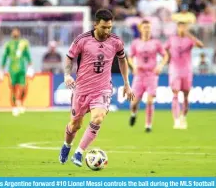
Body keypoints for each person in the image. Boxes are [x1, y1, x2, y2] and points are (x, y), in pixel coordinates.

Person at [59, 9, 134, 167]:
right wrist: (67, 75)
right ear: (95, 25)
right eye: (104, 27)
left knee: (98, 117)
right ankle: (67, 145)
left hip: (103, 89)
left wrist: (127, 84)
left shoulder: (116, 41)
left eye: (110, 27)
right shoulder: (82, 40)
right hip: (81, 89)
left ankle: (79, 152)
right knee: (75, 125)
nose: (107, 31)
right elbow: (69, 57)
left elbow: (122, 59)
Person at [128, 20, 169, 132]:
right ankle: (133, 113)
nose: (147, 30)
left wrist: (160, 66)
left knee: (150, 100)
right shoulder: (135, 43)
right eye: (145, 27)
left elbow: (165, 55)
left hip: (151, 74)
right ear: (141, 29)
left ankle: (148, 125)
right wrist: (134, 66)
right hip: (139, 75)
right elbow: (130, 57)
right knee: (134, 102)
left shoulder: (156, 43)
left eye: (148, 28)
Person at [164, 22, 204, 129]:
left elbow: (201, 45)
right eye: (180, 27)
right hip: (175, 70)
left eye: (184, 27)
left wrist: (189, 35)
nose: (182, 29)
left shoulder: (189, 40)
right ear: (177, 28)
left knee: (186, 96)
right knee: (175, 94)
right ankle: (176, 120)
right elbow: (165, 49)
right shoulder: (172, 39)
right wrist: (168, 58)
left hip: (186, 71)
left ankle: (183, 117)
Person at [0, 28, 34, 116]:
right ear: (11, 34)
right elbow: (4, 57)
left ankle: (19, 102)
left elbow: (27, 55)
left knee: (23, 87)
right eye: (13, 32)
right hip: (12, 70)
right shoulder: (8, 44)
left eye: (16, 31)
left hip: (22, 69)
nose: (15, 33)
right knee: (13, 89)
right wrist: (1, 69)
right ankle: (14, 106)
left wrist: (30, 66)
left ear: (19, 33)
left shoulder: (23, 43)